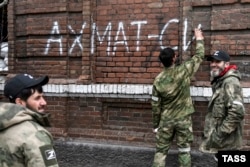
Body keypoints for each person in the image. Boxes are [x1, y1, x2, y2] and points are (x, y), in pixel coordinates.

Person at [151, 28, 204, 167]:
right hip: (183, 119)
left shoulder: (158, 80)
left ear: (162, 61)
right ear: (174, 58)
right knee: (184, 151)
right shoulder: (183, 71)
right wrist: (199, 38)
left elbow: (155, 105)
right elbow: (199, 56)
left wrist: (156, 125)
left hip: (166, 119)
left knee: (161, 151)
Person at [0, 74, 59, 167]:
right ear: (20, 102)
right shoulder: (36, 135)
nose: (44, 102)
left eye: (42, 97)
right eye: (37, 98)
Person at [199, 50, 245, 160]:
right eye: (212, 62)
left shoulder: (230, 82)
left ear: (226, 64)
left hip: (228, 142)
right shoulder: (219, 80)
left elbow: (237, 112)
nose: (213, 64)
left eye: (218, 62)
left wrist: (219, 134)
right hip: (222, 142)